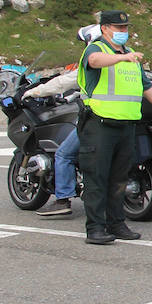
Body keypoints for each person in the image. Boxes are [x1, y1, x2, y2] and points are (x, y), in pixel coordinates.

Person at [77, 9, 152, 245]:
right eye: (119, 28)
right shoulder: (97, 49)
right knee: (97, 178)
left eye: (126, 28)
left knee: (119, 178)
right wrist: (121, 58)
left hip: (126, 126)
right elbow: (94, 62)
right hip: (100, 125)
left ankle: (116, 224)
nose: (124, 32)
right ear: (105, 28)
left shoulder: (130, 57)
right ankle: (96, 228)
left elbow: (146, 87)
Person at [29, 25, 100, 217]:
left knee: (64, 155)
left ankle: (62, 199)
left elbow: (63, 82)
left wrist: (33, 92)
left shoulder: (93, 61)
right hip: (125, 120)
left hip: (95, 120)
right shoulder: (125, 61)